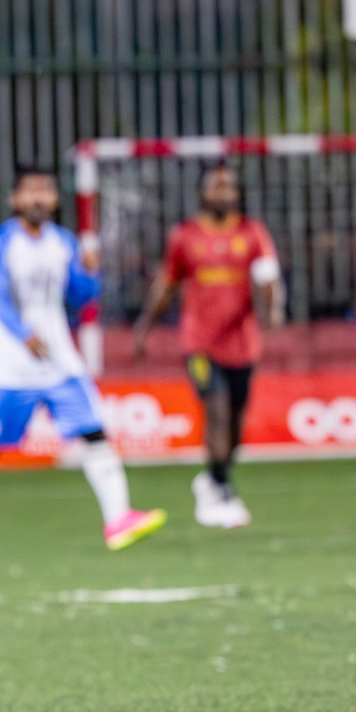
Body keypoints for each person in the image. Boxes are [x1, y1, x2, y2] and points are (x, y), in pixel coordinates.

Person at [0, 165, 167, 559]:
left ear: (54, 198)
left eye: (46, 190)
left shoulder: (63, 243)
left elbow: (82, 297)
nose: (38, 197)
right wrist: (23, 334)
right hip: (8, 365)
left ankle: (118, 520)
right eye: (31, 190)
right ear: (15, 199)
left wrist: (90, 272)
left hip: (59, 361)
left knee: (94, 432)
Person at [134, 161, 284, 528]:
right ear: (203, 192)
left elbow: (268, 278)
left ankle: (212, 477)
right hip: (199, 342)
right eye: (216, 187)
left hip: (242, 343)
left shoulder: (252, 233)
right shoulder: (185, 236)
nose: (223, 193)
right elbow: (166, 285)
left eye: (229, 187)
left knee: (235, 425)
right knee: (215, 412)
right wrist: (143, 329)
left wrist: (273, 309)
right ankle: (222, 491)